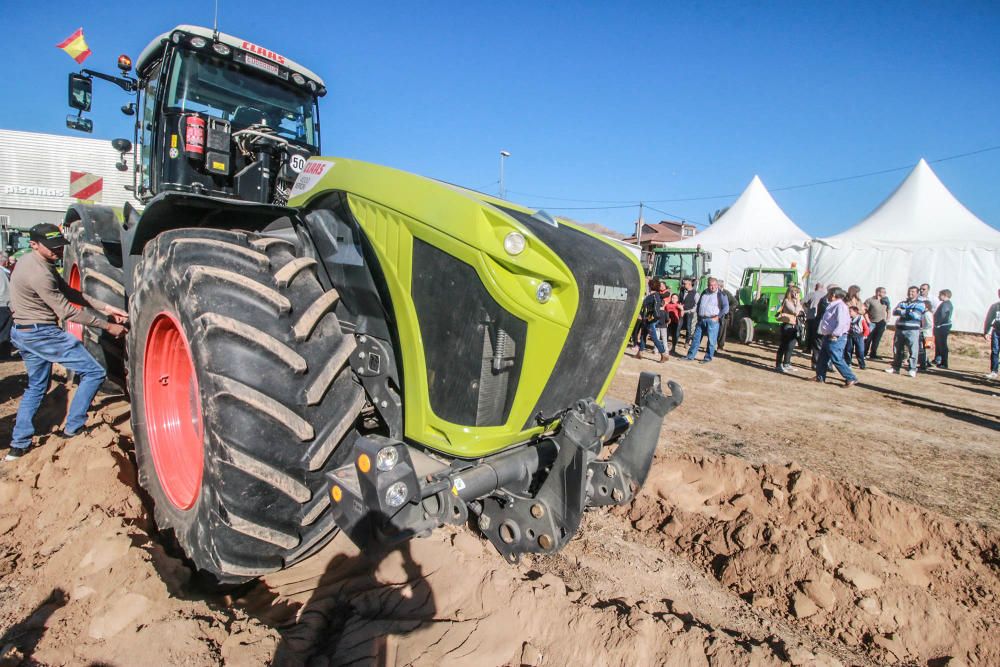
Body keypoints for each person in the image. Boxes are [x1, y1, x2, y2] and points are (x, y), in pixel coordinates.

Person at [6, 224, 129, 461]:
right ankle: (74, 427)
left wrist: (106, 308)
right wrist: (108, 325)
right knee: (94, 372)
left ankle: (18, 445)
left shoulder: (37, 263)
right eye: (52, 248)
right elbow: (67, 312)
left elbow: (70, 292)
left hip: (23, 332)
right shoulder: (38, 273)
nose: (58, 252)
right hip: (42, 334)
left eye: (60, 246)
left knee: (36, 387)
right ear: (34, 244)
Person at [814, 287, 857, 387]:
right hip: (828, 335)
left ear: (833, 295)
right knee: (822, 358)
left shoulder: (840, 306)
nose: (827, 295)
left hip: (835, 337)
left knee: (836, 358)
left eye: (829, 293)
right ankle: (820, 377)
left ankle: (850, 377)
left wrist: (835, 334)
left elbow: (841, 322)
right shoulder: (834, 305)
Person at [683, 277, 729, 364]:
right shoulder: (704, 292)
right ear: (708, 285)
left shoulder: (721, 294)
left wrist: (718, 317)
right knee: (696, 339)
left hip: (713, 320)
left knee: (711, 341)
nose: (712, 287)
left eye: (714, 285)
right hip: (701, 320)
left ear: (717, 285)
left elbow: (726, 308)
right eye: (711, 285)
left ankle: (707, 358)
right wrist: (698, 314)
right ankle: (690, 356)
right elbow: (699, 304)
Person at [885, 286, 926, 378]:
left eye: (913, 291)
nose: (910, 293)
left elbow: (916, 315)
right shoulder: (902, 302)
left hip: (912, 330)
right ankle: (896, 367)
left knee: (913, 350)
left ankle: (912, 369)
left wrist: (903, 311)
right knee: (897, 349)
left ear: (917, 293)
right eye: (909, 291)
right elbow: (895, 312)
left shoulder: (921, 303)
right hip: (900, 329)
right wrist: (908, 311)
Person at [635, 278, 667, 363]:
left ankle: (664, 354)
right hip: (646, 319)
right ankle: (640, 353)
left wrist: (649, 319)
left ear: (651, 286)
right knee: (643, 336)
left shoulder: (655, 295)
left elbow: (656, 311)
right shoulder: (652, 295)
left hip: (650, 320)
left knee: (654, 338)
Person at [775, 285, 803, 373]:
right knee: (783, 346)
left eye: (798, 293)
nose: (798, 294)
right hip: (787, 325)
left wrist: (798, 304)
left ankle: (787, 363)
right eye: (796, 292)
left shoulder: (795, 302)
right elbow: (795, 312)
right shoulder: (787, 301)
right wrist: (798, 302)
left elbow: (800, 311)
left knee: (791, 346)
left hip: (794, 326)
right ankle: (778, 365)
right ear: (791, 293)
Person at [864, 287, 891, 360]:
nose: (885, 294)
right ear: (878, 292)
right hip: (871, 322)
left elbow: (889, 310)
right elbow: (865, 311)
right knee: (868, 339)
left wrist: (887, 319)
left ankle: (873, 354)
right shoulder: (870, 300)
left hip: (881, 322)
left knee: (877, 339)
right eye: (883, 292)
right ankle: (864, 353)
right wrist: (868, 321)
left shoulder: (886, 300)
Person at [933, 290, 953, 369]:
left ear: (944, 295)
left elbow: (943, 315)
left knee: (942, 345)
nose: (938, 296)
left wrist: (938, 324)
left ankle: (944, 363)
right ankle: (938, 359)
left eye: (940, 295)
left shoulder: (946, 304)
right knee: (938, 344)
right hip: (942, 326)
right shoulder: (946, 304)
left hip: (942, 327)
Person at [843, 305, 868, 369]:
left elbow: (866, 328)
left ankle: (862, 364)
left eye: (850, 311)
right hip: (850, 335)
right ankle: (848, 363)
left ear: (855, 312)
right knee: (848, 350)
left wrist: (864, 335)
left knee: (860, 351)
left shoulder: (860, 319)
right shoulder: (848, 318)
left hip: (859, 336)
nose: (849, 313)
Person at [803, 282, 825, 353]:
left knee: (809, 333)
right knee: (819, 335)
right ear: (822, 287)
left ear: (816, 287)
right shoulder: (826, 295)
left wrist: (806, 308)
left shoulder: (811, 294)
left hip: (811, 316)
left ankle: (808, 349)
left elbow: (802, 302)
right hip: (822, 317)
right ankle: (819, 349)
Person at [984, 289, 1000, 380]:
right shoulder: (995, 306)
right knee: (995, 351)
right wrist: (986, 332)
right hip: (996, 331)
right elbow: (989, 319)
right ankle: (994, 371)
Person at [717, 280, 736, 351]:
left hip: (724, 315)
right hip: (715, 314)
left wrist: (728, 310)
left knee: (722, 331)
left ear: (720, 286)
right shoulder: (715, 293)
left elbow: (735, 303)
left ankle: (720, 346)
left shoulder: (726, 293)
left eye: (717, 285)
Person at [0, 254, 12, 359]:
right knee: (5, 331)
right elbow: (7, 291)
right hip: (4, 305)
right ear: (5, 262)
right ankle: (4, 355)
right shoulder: (3, 273)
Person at [679, 279, 698, 345]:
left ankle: (687, 342)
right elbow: (680, 300)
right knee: (679, 326)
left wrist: (690, 311)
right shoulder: (682, 291)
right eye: (683, 283)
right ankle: (675, 342)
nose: (683, 285)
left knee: (688, 327)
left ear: (689, 284)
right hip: (681, 311)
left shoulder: (695, 293)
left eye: (685, 284)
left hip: (689, 313)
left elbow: (697, 304)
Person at [918, 300, 934, 371]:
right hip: (926, 333)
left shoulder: (927, 314)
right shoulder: (924, 313)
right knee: (923, 350)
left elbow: (930, 324)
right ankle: (924, 363)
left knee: (925, 350)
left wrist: (922, 329)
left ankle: (924, 365)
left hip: (927, 334)